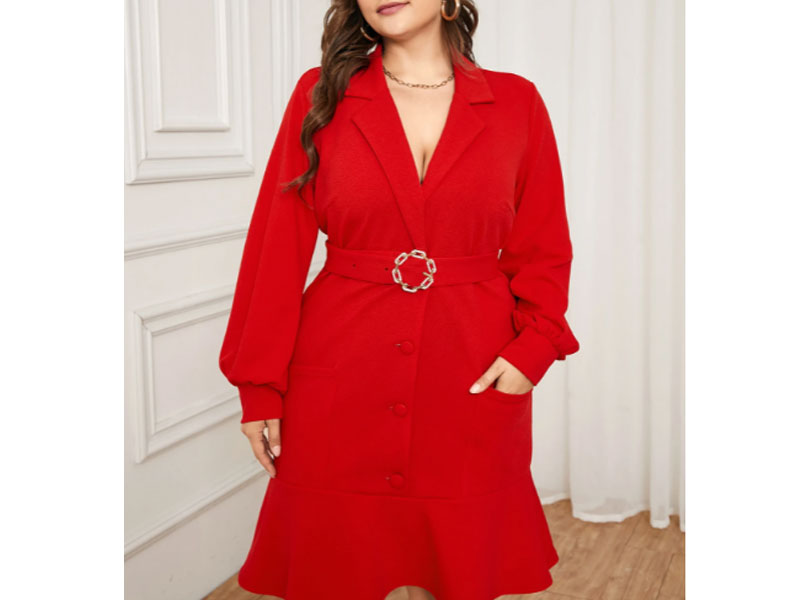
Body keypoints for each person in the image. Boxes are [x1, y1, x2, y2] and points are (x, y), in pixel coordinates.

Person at [218, 0, 580, 598]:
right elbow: (275, 248)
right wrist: (258, 383)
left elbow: (543, 246)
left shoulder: (517, 102)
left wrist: (533, 351)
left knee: (458, 573)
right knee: (338, 574)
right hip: (340, 374)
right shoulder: (320, 95)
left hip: (470, 372)